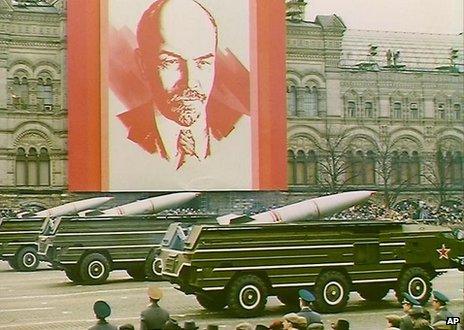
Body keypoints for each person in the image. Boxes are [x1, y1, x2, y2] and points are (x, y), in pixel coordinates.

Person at [117, 0, 248, 171]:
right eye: (171, 62)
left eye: (203, 62)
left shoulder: (243, 129)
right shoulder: (117, 133)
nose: (191, 81)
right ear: (143, 64)